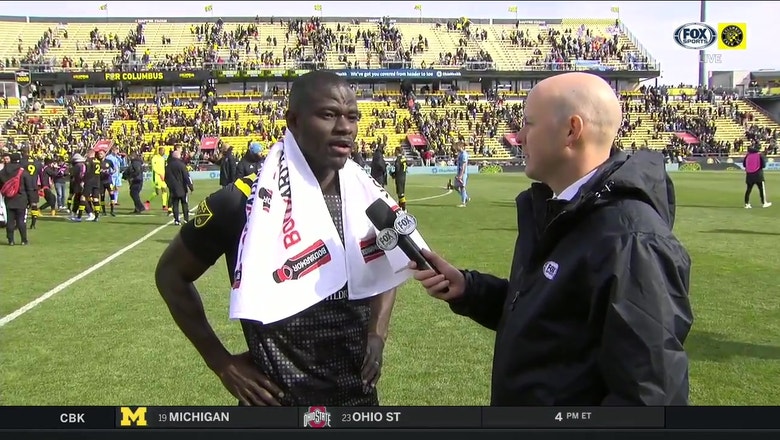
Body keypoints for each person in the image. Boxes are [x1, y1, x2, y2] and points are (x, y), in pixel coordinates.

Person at [409, 72, 694, 406]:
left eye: (529, 123)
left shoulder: (630, 239)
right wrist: (469, 288)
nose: (518, 137)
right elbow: (550, 315)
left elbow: (649, 396)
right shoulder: (559, 209)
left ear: (571, 131)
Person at [156, 71, 398, 407]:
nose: (345, 127)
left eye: (352, 117)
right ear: (294, 121)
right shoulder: (240, 201)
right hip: (274, 406)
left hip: (358, 402)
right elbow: (170, 274)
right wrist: (220, 362)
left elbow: (390, 260)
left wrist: (377, 331)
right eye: (328, 114)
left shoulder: (368, 198)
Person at [0, 152, 39, 245]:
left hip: (9, 198)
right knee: (21, 220)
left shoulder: (2, 172)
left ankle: (11, 240)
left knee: (10, 220)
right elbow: (29, 187)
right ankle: (23, 240)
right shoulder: (22, 172)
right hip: (21, 198)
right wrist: (31, 201)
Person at [164, 150, 194, 225]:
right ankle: (186, 219)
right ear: (178, 156)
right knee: (184, 203)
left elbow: (166, 178)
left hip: (173, 188)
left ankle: (176, 220)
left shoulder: (168, 166)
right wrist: (190, 186)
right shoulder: (181, 165)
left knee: (175, 204)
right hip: (182, 188)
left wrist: (170, 185)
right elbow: (186, 176)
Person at [147, 147, 170, 213]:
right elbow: (154, 168)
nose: (163, 152)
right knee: (157, 192)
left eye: (164, 151)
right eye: (162, 151)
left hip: (162, 177)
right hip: (156, 177)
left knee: (164, 190)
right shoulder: (155, 158)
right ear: (159, 151)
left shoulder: (163, 158)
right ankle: (147, 201)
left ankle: (164, 205)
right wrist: (160, 174)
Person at [390, 146, 408, 211]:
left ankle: (404, 209)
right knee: (400, 193)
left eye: (395, 151)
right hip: (403, 176)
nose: (394, 152)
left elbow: (397, 170)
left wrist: (392, 174)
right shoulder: (404, 158)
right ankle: (400, 208)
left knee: (400, 194)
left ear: (397, 151)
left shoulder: (398, 159)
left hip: (399, 178)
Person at [454, 142, 470, 207]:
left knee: (462, 187)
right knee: (456, 187)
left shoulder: (464, 154)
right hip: (459, 173)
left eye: (457, 146)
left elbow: (464, 165)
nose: (455, 148)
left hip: (462, 173)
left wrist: (460, 175)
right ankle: (466, 197)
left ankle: (463, 203)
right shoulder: (460, 153)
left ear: (460, 146)